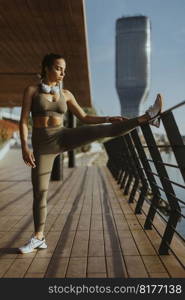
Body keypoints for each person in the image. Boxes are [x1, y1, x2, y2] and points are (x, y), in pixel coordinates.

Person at [18, 53, 163, 253]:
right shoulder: (32, 90)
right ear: (46, 68)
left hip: (63, 135)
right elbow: (24, 120)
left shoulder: (66, 94)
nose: (63, 72)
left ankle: (148, 117)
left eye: (64, 69)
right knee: (40, 193)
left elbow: (84, 117)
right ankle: (38, 237)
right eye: (59, 68)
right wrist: (25, 147)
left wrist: (108, 117)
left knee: (104, 129)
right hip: (42, 146)